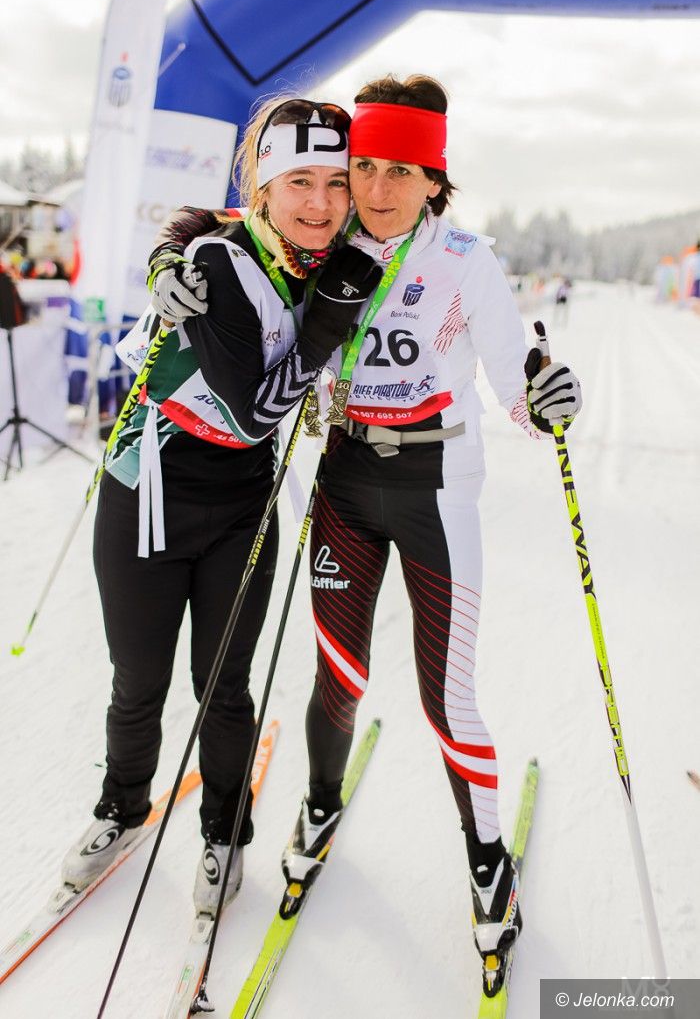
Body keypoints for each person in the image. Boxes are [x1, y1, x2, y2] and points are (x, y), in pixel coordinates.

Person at [144, 75, 582, 980]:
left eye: (402, 172)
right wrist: (165, 258)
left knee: (446, 697)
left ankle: (486, 860)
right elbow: (222, 226)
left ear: (436, 180)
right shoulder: (325, 237)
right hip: (343, 480)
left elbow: (516, 384)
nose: (376, 190)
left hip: (436, 487)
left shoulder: (466, 259)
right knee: (337, 677)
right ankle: (319, 802)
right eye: (366, 167)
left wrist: (547, 395)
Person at [60, 96, 381, 918]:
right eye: (299, 181)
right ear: (263, 188)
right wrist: (327, 324)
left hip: (243, 504)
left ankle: (224, 832)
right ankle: (122, 808)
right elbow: (252, 411)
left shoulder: (331, 251)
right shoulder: (219, 260)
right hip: (148, 491)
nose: (321, 202)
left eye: (336, 183)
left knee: (224, 686)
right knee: (138, 679)